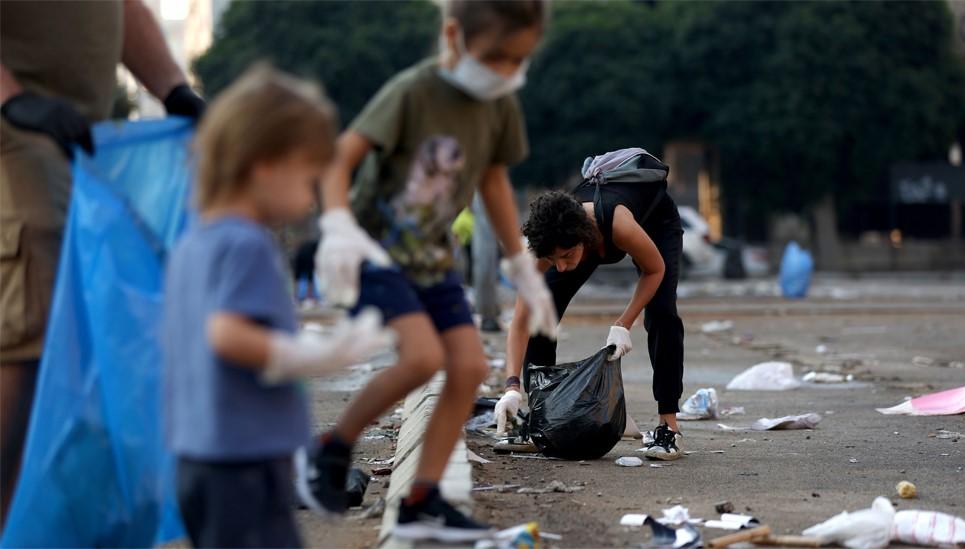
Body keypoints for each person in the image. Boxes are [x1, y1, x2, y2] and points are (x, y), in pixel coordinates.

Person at [308, 0, 558, 542]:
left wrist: (522, 262)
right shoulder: (414, 91)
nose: (506, 72)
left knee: (467, 368)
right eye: (496, 57)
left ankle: (423, 500)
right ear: (454, 36)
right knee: (422, 358)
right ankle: (330, 450)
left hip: (434, 258)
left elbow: (493, 181)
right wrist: (335, 224)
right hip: (378, 249)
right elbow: (341, 157)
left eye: (519, 60)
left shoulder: (499, 102)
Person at [162, 65, 391, 548]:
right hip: (244, 464)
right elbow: (227, 335)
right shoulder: (248, 244)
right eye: (309, 178)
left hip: (197, 458)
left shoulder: (194, 242)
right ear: (265, 165)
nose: (313, 201)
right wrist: (320, 355)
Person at [0, 0, 204, 526]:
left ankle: (39, 526)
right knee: (33, 339)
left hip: (77, 137)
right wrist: (10, 99)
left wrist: (173, 88)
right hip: (14, 136)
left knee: (87, 340)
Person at [499, 148, 687, 460]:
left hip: (656, 222)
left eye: (566, 256)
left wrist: (623, 323)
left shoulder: (618, 224)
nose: (559, 266)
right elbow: (520, 322)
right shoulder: (549, 245)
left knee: (662, 312)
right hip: (587, 235)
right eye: (551, 259)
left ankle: (669, 427)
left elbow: (655, 270)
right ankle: (538, 419)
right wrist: (511, 386)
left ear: (584, 240)